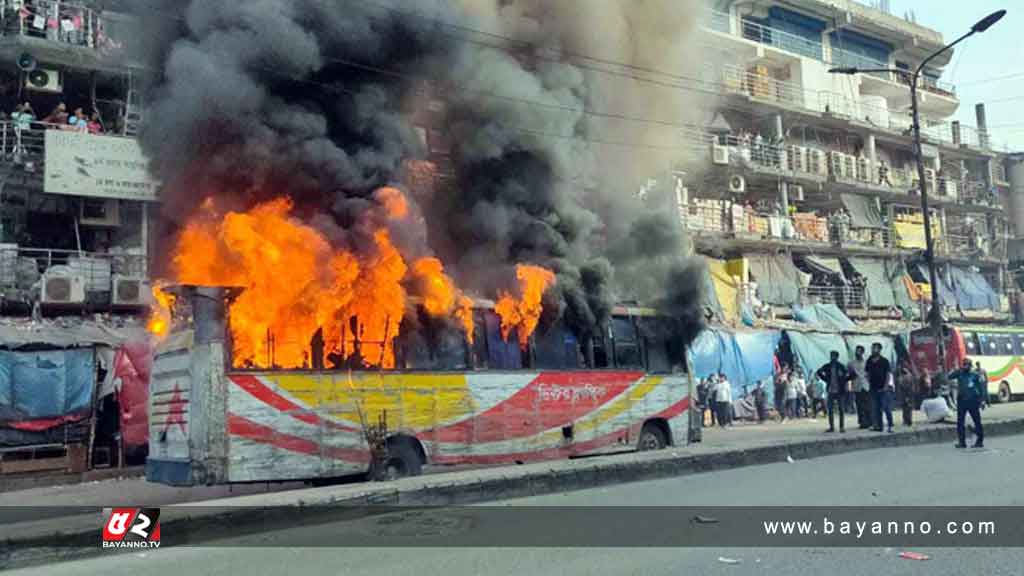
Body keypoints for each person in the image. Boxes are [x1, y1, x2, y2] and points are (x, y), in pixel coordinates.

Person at [949, 359, 985, 448]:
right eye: (964, 365)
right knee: (960, 422)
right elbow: (950, 376)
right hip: (962, 401)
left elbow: (981, 388)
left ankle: (979, 441)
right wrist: (957, 369)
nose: (965, 366)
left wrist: (982, 400)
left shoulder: (975, 375)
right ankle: (962, 442)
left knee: (977, 421)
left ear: (970, 366)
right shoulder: (960, 373)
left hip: (973, 401)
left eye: (967, 365)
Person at [817, 351, 850, 433]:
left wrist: (843, 381)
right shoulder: (827, 366)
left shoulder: (841, 366)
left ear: (837, 357)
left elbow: (848, 374)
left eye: (834, 356)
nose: (832, 358)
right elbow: (819, 371)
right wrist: (825, 379)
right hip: (831, 390)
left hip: (840, 390)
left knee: (841, 409)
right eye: (831, 356)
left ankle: (841, 427)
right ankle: (831, 427)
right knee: (830, 409)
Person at [865, 342, 893, 432]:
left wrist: (886, 386)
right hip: (873, 388)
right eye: (872, 348)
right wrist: (869, 381)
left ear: (879, 350)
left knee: (885, 407)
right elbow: (867, 373)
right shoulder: (869, 360)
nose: (873, 350)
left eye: (875, 348)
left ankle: (890, 425)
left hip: (883, 388)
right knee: (875, 408)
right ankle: (878, 426)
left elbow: (888, 374)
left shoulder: (884, 361)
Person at [848, 346, 871, 429]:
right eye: (856, 351)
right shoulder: (851, 363)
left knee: (867, 405)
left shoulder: (866, 362)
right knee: (859, 405)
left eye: (859, 351)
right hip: (857, 386)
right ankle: (862, 422)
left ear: (862, 352)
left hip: (866, 385)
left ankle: (869, 421)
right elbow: (849, 374)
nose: (857, 353)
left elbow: (869, 373)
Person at [897, 361, 916, 427]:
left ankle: (908, 421)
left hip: (907, 393)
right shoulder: (906, 375)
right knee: (906, 407)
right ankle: (907, 420)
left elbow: (906, 386)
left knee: (907, 407)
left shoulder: (906, 376)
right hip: (906, 394)